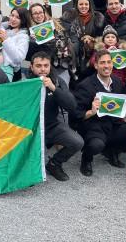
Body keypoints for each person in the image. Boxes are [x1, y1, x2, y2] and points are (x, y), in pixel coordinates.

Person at [71, 50, 126, 177]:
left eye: (109, 62)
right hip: (94, 126)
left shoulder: (117, 82)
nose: (106, 66)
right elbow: (75, 114)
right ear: (96, 65)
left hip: (114, 125)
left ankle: (112, 151)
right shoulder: (85, 86)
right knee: (97, 145)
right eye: (102, 63)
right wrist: (91, 111)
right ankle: (86, 158)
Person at [27, 51, 83, 181]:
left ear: (50, 66)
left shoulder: (57, 81)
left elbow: (72, 106)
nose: (42, 69)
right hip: (31, 129)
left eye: (46, 65)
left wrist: (53, 88)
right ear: (31, 67)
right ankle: (28, 170)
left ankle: (54, 164)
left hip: (52, 125)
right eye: (38, 66)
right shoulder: (24, 83)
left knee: (77, 142)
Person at [89, 25, 126, 126]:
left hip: (120, 82)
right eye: (107, 37)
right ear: (103, 40)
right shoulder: (99, 51)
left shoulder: (122, 52)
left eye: (113, 37)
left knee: (121, 103)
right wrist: (105, 53)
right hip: (105, 82)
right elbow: (92, 62)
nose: (110, 39)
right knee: (108, 103)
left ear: (117, 40)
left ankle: (123, 122)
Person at [27, 3, 77, 85]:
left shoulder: (56, 25)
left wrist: (67, 50)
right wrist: (33, 42)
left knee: (61, 92)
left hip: (59, 68)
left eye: (40, 12)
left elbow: (70, 41)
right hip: (41, 69)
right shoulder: (29, 31)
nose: (39, 15)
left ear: (44, 13)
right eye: (35, 13)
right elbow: (28, 56)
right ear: (31, 16)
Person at [64, 0, 105, 80]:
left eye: (86, 4)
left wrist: (92, 39)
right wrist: (47, 7)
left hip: (90, 55)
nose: (84, 6)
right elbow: (57, 27)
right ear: (76, 5)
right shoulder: (69, 18)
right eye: (81, 4)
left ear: (90, 5)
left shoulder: (97, 19)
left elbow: (102, 37)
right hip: (74, 55)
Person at [0, 7, 30, 81]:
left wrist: (6, 40)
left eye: (18, 17)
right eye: (12, 15)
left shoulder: (23, 37)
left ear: (23, 20)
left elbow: (19, 58)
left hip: (7, 71)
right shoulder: (6, 31)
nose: (13, 19)